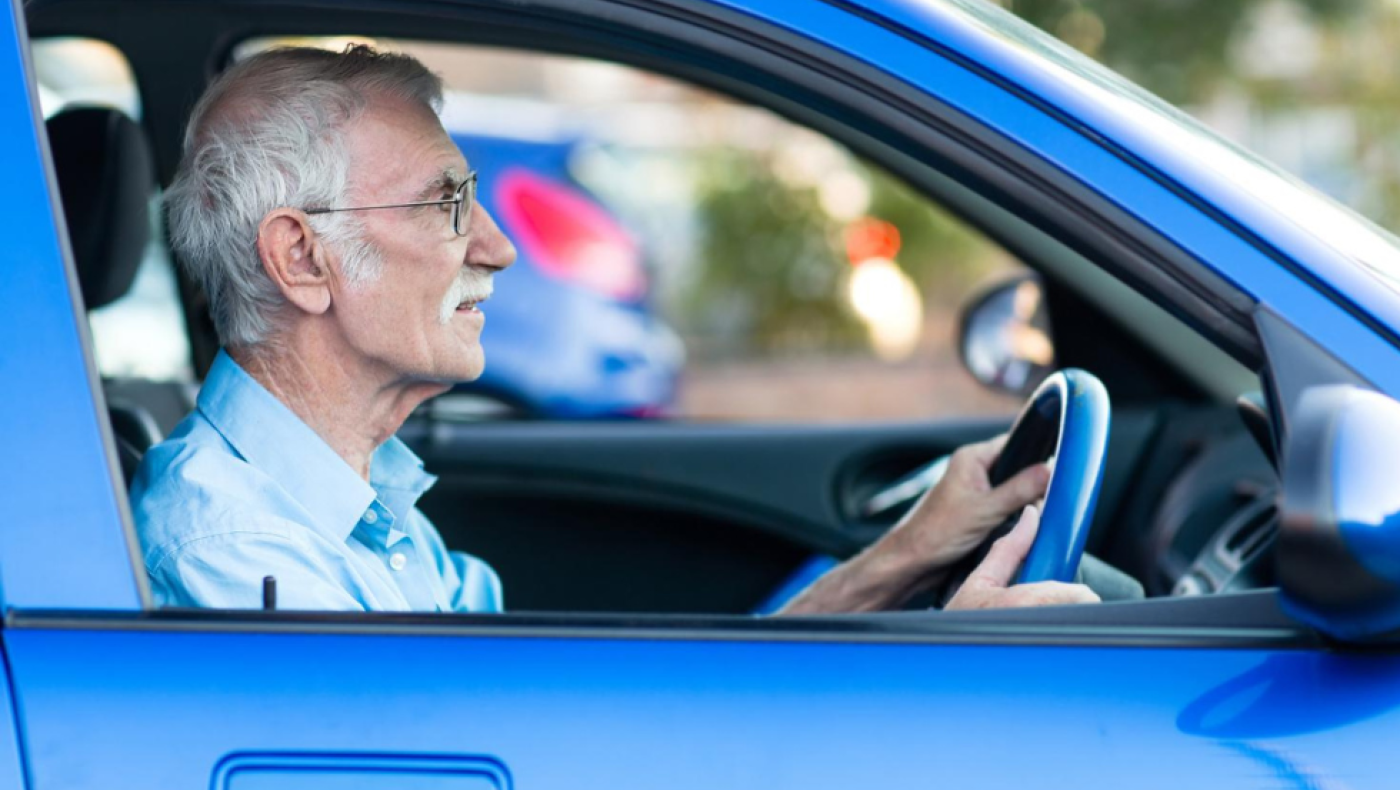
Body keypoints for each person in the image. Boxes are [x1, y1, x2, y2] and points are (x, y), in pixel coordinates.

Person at [132, 45, 1098, 613]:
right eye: (445, 205)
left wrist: (903, 559)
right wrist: (937, 685)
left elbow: (587, 737)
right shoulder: (243, 557)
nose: (501, 249)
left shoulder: (348, 504)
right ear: (303, 259)